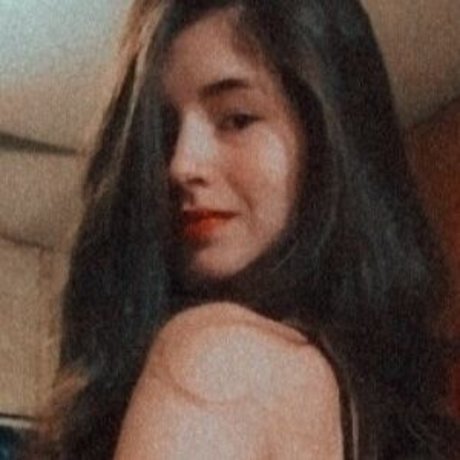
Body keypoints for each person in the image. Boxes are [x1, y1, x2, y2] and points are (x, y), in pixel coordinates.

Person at [25, 0, 459, 459]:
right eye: (164, 131)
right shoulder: (360, 400)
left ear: (327, 135)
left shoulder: (220, 360)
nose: (181, 164)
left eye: (237, 119)